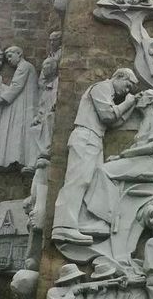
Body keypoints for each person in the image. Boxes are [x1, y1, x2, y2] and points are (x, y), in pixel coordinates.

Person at [51, 67, 138, 245]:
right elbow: (108, 115)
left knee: (92, 182)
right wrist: (128, 102)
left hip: (95, 138)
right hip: (85, 136)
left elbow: (115, 121)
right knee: (78, 180)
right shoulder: (101, 88)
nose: (127, 91)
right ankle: (64, 226)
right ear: (119, 77)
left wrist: (132, 104)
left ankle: (81, 222)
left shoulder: (110, 95)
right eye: (127, 85)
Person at [84, 89, 153, 229]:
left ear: (149, 101)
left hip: (148, 163)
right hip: (138, 161)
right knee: (105, 168)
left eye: (142, 95)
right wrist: (120, 157)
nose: (138, 97)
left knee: (103, 170)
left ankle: (104, 221)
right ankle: (102, 216)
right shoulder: (146, 120)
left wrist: (126, 154)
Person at [0, 46, 39, 170]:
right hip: (21, 102)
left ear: (19, 53)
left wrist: (1, 98)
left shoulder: (24, 66)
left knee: (20, 130)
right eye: (7, 57)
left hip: (23, 103)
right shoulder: (24, 67)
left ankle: (19, 159)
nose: (9, 59)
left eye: (10, 56)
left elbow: (16, 86)